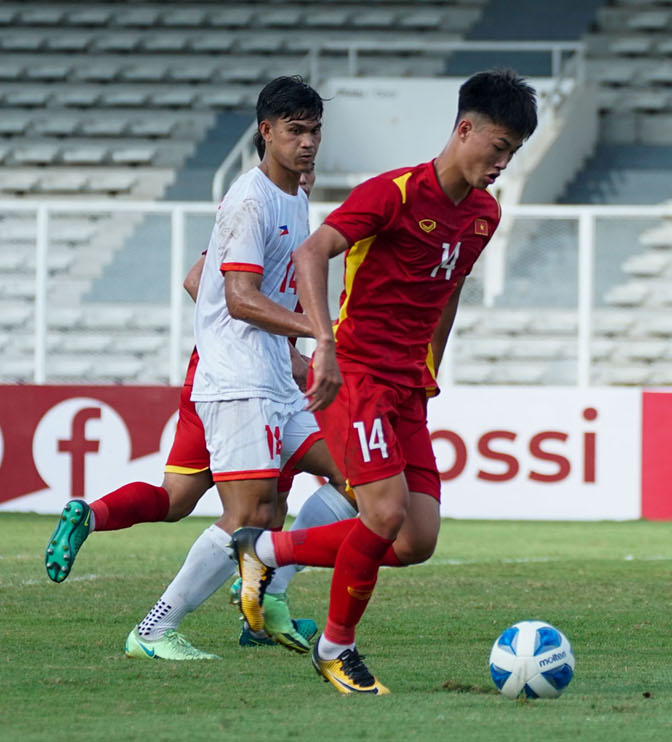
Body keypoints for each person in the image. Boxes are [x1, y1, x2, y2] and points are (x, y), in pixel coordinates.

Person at [230, 68, 539, 695]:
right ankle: (335, 648)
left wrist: (432, 365)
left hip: (408, 386)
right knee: (385, 511)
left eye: (514, 151)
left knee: (415, 540)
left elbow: (447, 292)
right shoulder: (393, 192)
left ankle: (266, 551)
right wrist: (323, 344)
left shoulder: (484, 214)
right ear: (464, 130)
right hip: (359, 373)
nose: (503, 161)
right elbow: (311, 252)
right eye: (499, 146)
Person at [43, 160, 356, 659]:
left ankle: (260, 597)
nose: (309, 154)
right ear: (270, 135)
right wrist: (305, 334)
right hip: (238, 380)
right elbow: (211, 285)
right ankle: (159, 627)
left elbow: (204, 281)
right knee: (253, 510)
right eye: (298, 135)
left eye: (315, 140)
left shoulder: (294, 203)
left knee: (186, 499)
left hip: (259, 376)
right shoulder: (254, 203)